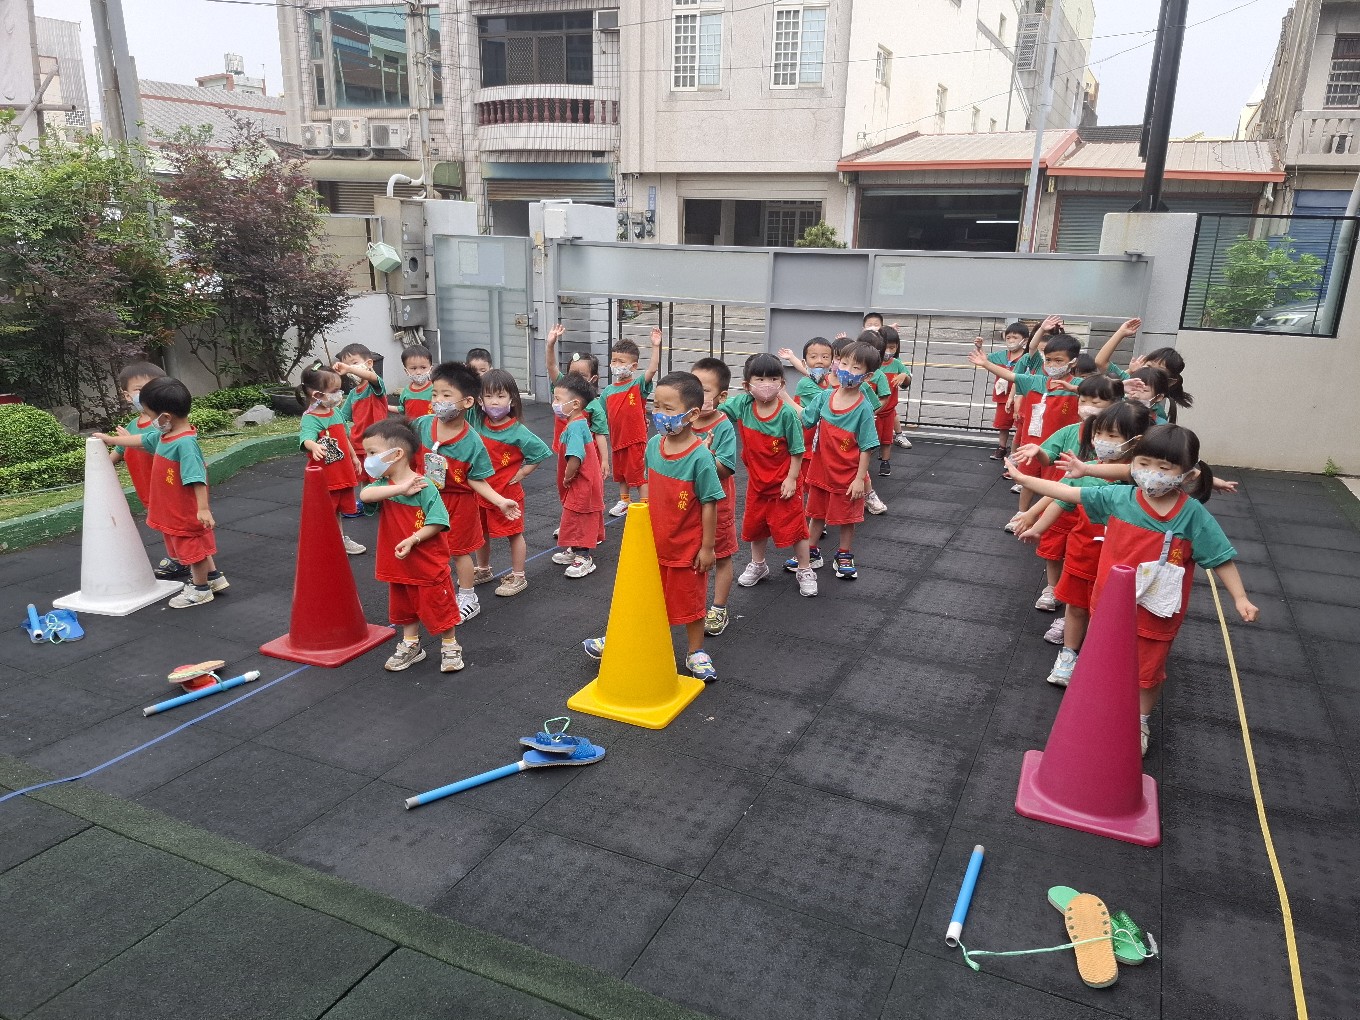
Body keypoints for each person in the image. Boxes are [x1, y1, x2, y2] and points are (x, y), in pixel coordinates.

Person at [1011, 424, 1259, 756]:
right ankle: (1101, 710)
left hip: (1156, 611)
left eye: (1164, 468)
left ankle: (1139, 721)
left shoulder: (1191, 515)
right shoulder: (1120, 498)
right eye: (1143, 464)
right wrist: (1025, 479)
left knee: (1147, 672)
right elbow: (1069, 493)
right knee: (1104, 662)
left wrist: (1240, 597)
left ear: (1187, 474)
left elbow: (1220, 557)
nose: (1151, 473)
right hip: (1110, 605)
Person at [583, 371, 725, 681]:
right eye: (656, 406)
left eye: (668, 408)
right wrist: (643, 517)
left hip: (686, 547)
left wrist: (707, 548)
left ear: (692, 414)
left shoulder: (700, 457)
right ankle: (621, 637)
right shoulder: (653, 446)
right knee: (641, 593)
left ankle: (696, 652)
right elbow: (647, 483)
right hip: (653, 540)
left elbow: (710, 502)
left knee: (690, 601)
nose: (659, 414)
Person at [1036, 401, 1152, 687]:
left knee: (1110, 613)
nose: (1102, 441)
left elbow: (1179, 471)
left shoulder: (1142, 478)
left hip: (1120, 559)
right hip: (1084, 551)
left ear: (1135, 441)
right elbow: (1061, 497)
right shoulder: (1085, 470)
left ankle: (1100, 659)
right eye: (1099, 433)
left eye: (1112, 436)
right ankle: (1068, 654)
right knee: (1076, 605)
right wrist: (1034, 523)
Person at [94, 377, 226, 609]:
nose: (149, 420)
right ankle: (213, 578)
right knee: (196, 545)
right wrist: (111, 439)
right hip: (172, 508)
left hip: (184, 511)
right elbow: (140, 439)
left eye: (150, 415)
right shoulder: (165, 436)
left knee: (192, 549)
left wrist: (203, 508)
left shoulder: (185, 444)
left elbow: (197, 478)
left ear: (165, 417)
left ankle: (200, 589)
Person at [413, 361, 521, 622]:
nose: (438, 401)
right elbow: (404, 453)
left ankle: (468, 597)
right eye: (435, 394)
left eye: (446, 395)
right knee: (425, 547)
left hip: (459, 503)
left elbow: (477, 480)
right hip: (426, 499)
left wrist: (500, 501)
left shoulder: (472, 442)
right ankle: (431, 591)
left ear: (468, 402)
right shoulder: (422, 425)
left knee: (460, 551)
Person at [1010, 374, 1123, 616]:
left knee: (1084, 558)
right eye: (1082, 400)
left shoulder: (1120, 446)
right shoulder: (1070, 431)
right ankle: (1053, 589)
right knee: (1054, 550)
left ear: (1115, 405)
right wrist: (1038, 451)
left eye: (1095, 402)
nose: (1087, 407)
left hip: (1090, 512)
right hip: (1060, 503)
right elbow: (1049, 457)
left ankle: (1080, 603)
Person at [358, 418, 464, 673]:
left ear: (396, 454)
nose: (367, 460)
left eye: (372, 453)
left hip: (427, 563)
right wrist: (400, 489)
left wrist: (413, 538)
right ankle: (411, 643)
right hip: (399, 564)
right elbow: (364, 495)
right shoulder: (384, 486)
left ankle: (450, 644)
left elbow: (438, 521)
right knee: (404, 607)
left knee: (439, 606)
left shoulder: (424, 486)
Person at [719, 353, 816, 597]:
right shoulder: (743, 405)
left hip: (784, 483)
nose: (766, 384)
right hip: (758, 482)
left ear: (782, 383)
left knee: (796, 526)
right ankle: (758, 564)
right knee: (756, 525)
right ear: (747, 385)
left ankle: (805, 568)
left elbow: (797, 450)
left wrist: (792, 479)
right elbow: (718, 410)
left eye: (773, 379)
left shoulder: (786, 414)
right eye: (760, 379)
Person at [968, 331, 1083, 532]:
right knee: (1027, 480)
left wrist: (1075, 390)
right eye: (1049, 360)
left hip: (1060, 448)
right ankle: (1022, 513)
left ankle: (1046, 519)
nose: (1052, 365)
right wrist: (986, 363)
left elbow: (1102, 390)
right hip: (1032, 442)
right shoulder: (1036, 381)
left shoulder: (1078, 385)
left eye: (1059, 361)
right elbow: (1011, 375)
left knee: (1053, 484)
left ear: (1073, 362)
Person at [787, 340, 880, 579]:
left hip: (847, 475)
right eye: (844, 363)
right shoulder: (825, 397)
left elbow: (867, 447)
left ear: (867, 376)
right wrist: (783, 397)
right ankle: (811, 550)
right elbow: (806, 418)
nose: (847, 370)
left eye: (856, 368)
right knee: (816, 513)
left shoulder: (863, 408)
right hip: (821, 471)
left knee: (847, 518)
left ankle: (844, 554)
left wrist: (860, 479)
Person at [471, 369, 552, 596]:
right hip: (481, 491)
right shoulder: (478, 421)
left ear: (512, 400)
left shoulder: (517, 431)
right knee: (480, 532)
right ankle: (484, 569)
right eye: (488, 396)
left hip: (507, 494)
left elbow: (539, 452)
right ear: (480, 400)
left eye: (500, 396)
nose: (494, 402)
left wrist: (523, 472)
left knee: (514, 533)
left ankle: (518, 576)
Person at [113, 361, 185, 581]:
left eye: (152, 386)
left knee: (176, 523)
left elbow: (166, 447)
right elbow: (117, 451)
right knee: (164, 524)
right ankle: (177, 557)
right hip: (147, 488)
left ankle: (189, 558)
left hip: (168, 486)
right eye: (139, 389)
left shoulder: (164, 424)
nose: (146, 392)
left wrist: (131, 442)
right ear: (127, 396)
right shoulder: (131, 426)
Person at [689, 357, 740, 635]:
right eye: (693, 387)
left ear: (722, 396)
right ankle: (690, 604)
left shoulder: (722, 426)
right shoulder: (684, 420)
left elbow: (726, 468)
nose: (697, 394)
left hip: (718, 505)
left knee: (721, 555)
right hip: (688, 504)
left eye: (705, 390)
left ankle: (719, 608)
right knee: (689, 554)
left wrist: (705, 456)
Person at [298, 365, 366, 556]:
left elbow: (344, 437)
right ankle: (330, 541)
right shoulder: (310, 418)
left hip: (341, 472)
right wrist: (314, 446)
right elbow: (306, 438)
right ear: (317, 395)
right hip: (326, 476)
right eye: (334, 391)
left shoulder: (335, 412)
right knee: (326, 510)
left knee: (337, 510)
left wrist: (354, 457)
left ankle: (338, 539)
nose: (339, 395)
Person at [601, 329, 664, 517]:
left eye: (621, 362)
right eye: (614, 360)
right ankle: (625, 501)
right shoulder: (608, 391)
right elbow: (598, 411)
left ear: (633, 366)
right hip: (617, 440)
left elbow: (652, 369)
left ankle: (645, 505)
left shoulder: (637, 385)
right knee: (621, 473)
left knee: (638, 474)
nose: (616, 365)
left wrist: (655, 345)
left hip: (635, 440)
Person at [551, 373, 607, 578]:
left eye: (558, 399)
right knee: (573, 515)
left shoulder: (575, 427)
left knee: (580, 517)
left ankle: (584, 557)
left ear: (575, 404)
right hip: (584, 482)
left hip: (582, 483)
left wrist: (568, 476)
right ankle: (574, 549)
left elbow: (575, 457)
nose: (554, 404)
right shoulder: (577, 422)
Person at [544, 323, 610, 473]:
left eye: (582, 376)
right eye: (572, 374)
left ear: (593, 379)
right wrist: (550, 345)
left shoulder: (594, 405)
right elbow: (551, 366)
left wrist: (605, 460)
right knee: (564, 478)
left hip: (586, 452)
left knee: (583, 481)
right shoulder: (563, 387)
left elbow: (600, 434)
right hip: (565, 447)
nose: (576, 379)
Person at [778, 337, 834, 491]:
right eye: (813, 357)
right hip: (806, 443)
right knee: (807, 485)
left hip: (818, 443)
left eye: (825, 357)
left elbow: (811, 370)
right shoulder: (806, 384)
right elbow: (827, 403)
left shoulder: (827, 381)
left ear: (832, 361)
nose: (819, 361)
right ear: (805, 362)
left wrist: (792, 358)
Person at [975, 323, 1031, 462]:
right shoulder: (1001, 355)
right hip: (1002, 397)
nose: (1011, 340)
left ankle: (1017, 450)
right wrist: (979, 347)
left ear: (1024, 340)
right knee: (1003, 424)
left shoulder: (1027, 357)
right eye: (1008, 337)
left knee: (1020, 424)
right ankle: (1002, 447)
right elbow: (984, 359)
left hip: (1021, 397)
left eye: (1015, 337)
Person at [333, 344, 388, 464]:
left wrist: (349, 369)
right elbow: (342, 417)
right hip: (357, 444)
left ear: (369, 363)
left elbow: (372, 377)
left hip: (377, 442)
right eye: (346, 365)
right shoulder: (353, 393)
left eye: (354, 363)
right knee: (360, 475)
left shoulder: (375, 386)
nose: (350, 368)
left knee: (378, 474)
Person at [880, 325, 913, 454]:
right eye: (885, 347)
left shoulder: (896, 363)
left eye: (892, 348)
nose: (888, 351)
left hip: (889, 406)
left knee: (887, 439)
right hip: (874, 406)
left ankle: (885, 459)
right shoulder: (873, 361)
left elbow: (907, 382)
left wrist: (904, 376)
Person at [398, 344, 435, 419]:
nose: (418, 372)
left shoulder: (435, 389)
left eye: (423, 367)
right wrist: (386, 407)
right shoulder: (406, 391)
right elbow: (402, 409)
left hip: (430, 426)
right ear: (406, 371)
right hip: (410, 426)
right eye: (413, 368)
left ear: (431, 369)